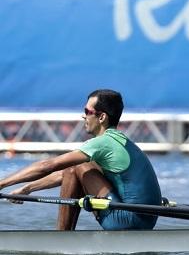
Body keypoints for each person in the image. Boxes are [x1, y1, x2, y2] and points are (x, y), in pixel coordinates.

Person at [0, 89, 162, 230]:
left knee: (77, 166)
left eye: (87, 111)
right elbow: (66, 175)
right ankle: (64, 236)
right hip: (146, 219)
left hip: (126, 221)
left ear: (101, 117)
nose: (83, 116)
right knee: (78, 168)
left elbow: (48, 165)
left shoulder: (102, 143)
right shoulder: (119, 141)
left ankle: (62, 238)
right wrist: (27, 188)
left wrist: (2, 184)